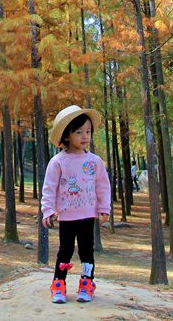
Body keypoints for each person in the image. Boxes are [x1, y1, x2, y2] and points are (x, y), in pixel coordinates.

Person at [41, 104, 111, 304]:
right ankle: (58, 284)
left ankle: (87, 283)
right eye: (79, 132)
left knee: (87, 251)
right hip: (67, 217)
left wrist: (104, 208)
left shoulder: (95, 161)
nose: (84, 136)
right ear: (66, 135)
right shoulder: (58, 162)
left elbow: (103, 186)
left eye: (88, 131)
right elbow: (49, 188)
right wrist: (48, 211)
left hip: (88, 216)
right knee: (65, 251)